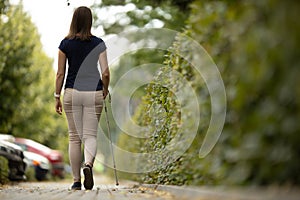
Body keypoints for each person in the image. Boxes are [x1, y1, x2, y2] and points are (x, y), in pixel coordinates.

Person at [54, 6, 110, 190]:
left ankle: (76, 181)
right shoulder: (99, 43)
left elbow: (60, 74)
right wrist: (105, 89)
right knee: (90, 135)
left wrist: (57, 96)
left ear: (74, 20)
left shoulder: (65, 44)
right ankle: (88, 165)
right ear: (90, 21)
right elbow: (106, 73)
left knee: (74, 138)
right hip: (94, 92)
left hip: (72, 92)